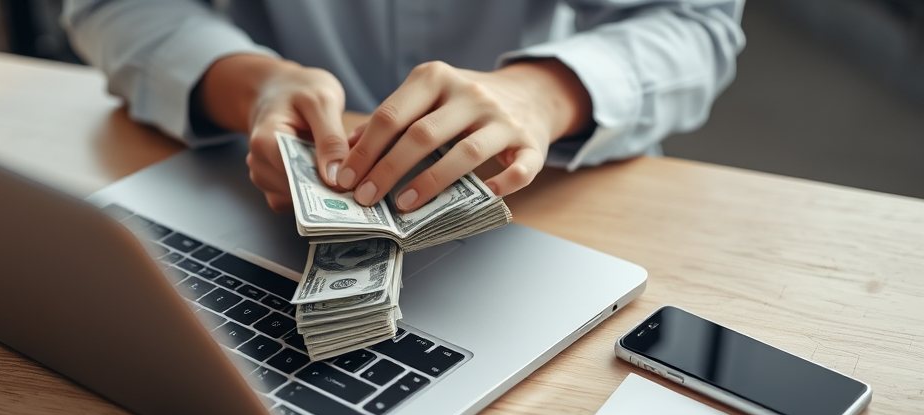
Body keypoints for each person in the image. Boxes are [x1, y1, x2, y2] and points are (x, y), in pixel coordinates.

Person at [63, 0, 745, 213]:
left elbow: (695, 21)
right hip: (245, 190)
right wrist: (251, 84)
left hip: (557, 195)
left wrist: (544, 93)